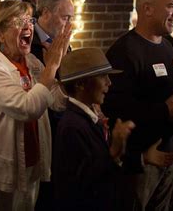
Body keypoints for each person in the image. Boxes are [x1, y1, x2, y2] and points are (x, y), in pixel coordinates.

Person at [0, 0, 70, 211]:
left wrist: (61, 67)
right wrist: (51, 66)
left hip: (29, 167)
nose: (28, 26)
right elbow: (27, 108)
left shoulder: (31, 61)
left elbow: (58, 103)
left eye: (29, 20)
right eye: (18, 21)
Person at [102, 0, 173, 210]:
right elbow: (114, 110)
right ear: (147, 9)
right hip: (140, 160)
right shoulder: (124, 51)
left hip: (170, 150)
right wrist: (164, 111)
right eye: (171, 6)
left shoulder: (168, 45)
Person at [54, 48, 135, 210]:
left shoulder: (88, 118)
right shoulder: (72, 126)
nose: (109, 82)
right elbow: (81, 185)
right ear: (80, 84)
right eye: (102, 76)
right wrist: (113, 152)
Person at [30, 0, 74, 211]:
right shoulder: (25, 40)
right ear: (46, 13)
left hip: (59, 123)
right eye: (66, 17)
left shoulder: (63, 40)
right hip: (35, 123)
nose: (70, 23)